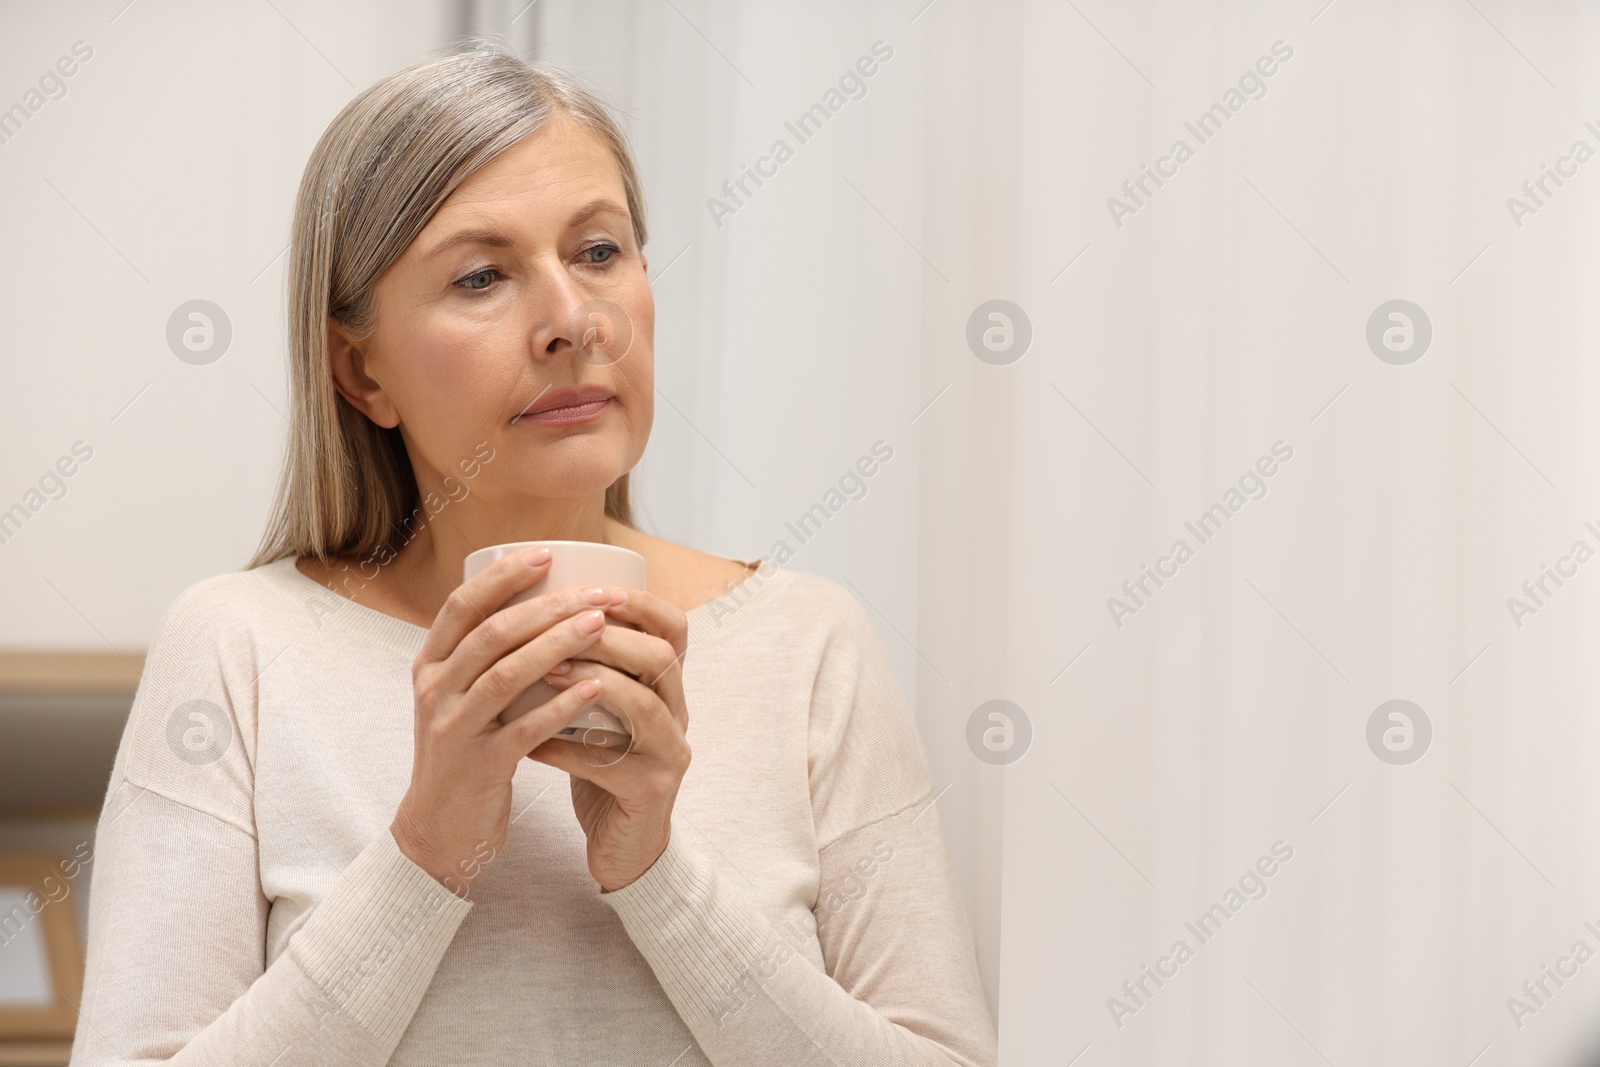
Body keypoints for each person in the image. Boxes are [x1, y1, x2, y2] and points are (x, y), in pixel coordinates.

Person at [68, 45, 997, 1067]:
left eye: (598, 252)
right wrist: (426, 852)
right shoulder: (237, 649)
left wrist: (656, 875)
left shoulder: (808, 640)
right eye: (481, 275)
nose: (572, 320)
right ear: (360, 369)